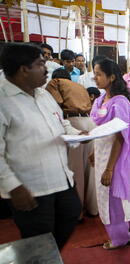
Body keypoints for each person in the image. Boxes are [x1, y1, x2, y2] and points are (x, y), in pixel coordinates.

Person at [0, 43, 84, 248]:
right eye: (40, 64)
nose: (47, 69)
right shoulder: (4, 100)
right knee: (38, 237)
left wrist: (78, 134)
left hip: (62, 178)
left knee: (72, 213)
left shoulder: (43, 94)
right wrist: (13, 186)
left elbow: (61, 122)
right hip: (31, 187)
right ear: (23, 69)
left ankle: (49, 263)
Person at [90, 58, 130, 250]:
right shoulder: (101, 99)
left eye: (99, 74)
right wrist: (95, 151)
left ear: (111, 77)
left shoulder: (120, 103)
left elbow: (120, 137)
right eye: (95, 73)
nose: (95, 78)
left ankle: (120, 238)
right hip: (102, 153)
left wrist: (110, 168)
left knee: (113, 197)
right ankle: (128, 223)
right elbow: (100, 130)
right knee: (109, 194)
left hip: (114, 157)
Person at [46, 68, 98, 221]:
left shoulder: (54, 83)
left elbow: (55, 106)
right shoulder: (80, 86)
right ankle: (93, 208)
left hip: (72, 122)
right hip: (89, 122)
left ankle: (78, 213)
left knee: (76, 170)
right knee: (91, 169)